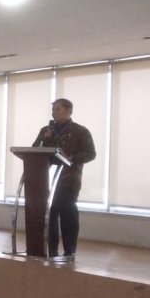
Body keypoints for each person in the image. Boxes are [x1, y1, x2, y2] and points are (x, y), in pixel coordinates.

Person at [32, 98, 96, 261]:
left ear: (69, 111)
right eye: (53, 110)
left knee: (67, 212)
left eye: (58, 109)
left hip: (69, 179)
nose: (54, 113)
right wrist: (45, 138)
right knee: (50, 213)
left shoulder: (80, 131)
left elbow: (90, 153)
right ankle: (51, 250)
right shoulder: (46, 130)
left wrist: (71, 158)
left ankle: (69, 251)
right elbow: (34, 150)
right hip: (46, 178)